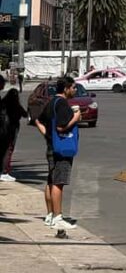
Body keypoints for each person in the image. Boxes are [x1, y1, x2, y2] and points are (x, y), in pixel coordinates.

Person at [35, 76, 81, 230]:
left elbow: (38, 120)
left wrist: (47, 136)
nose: (75, 90)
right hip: (62, 149)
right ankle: (58, 217)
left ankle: (50, 215)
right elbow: (62, 127)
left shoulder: (51, 102)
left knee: (50, 180)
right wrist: (76, 118)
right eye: (73, 87)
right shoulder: (62, 104)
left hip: (51, 147)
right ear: (66, 88)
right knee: (58, 182)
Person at [0, 88, 27, 181]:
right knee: (8, 150)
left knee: (3, 150)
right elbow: (25, 114)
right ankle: (4, 172)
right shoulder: (16, 105)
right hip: (11, 129)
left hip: (2, 129)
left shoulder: (3, 102)